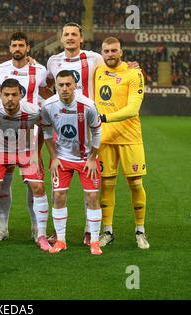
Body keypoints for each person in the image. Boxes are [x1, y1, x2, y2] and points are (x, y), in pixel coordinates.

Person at [46, 22, 139, 245]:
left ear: (81, 39)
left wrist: (131, 66)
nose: (69, 38)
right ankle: (59, 233)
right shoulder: (52, 61)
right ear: (61, 39)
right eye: (66, 34)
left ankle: (90, 231)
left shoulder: (94, 58)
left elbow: (113, 62)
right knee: (59, 184)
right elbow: (49, 85)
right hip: (63, 127)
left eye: (74, 35)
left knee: (92, 185)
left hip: (90, 126)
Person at [0, 31, 53, 243]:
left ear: (28, 48)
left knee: (34, 185)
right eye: (14, 45)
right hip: (3, 131)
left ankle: (35, 228)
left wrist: (52, 108)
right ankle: (1, 228)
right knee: (0, 185)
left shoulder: (39, 69)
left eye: (21, 45)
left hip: (29, 132)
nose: (18, 48)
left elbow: (47, 90)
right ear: (10, 48)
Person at [94, 37, 149, 249]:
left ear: (121, 52)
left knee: (135, 184)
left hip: (130, 138)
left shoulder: (134, 74)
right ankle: (107, 231)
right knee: (107, 185)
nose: (110, 54)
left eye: (113, 50)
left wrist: (104, 118)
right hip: (105, 139)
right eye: (106, 51)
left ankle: (140, 231)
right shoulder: (98, 71)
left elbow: (133, 109)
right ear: (102, 52)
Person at [41, 70, 103, 255]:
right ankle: (61, 240)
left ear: (75, 85)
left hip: (86, 159)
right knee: (59, 195)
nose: (65, 88)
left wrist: (92, 158)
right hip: (63, 158)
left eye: (68, 84)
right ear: (56, 87)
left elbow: (98, 132)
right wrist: (53, 157)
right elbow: (46, 132)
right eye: (61, 85)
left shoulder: (88, 106)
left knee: (92, 197)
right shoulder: (48, 106)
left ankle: (94, 241)